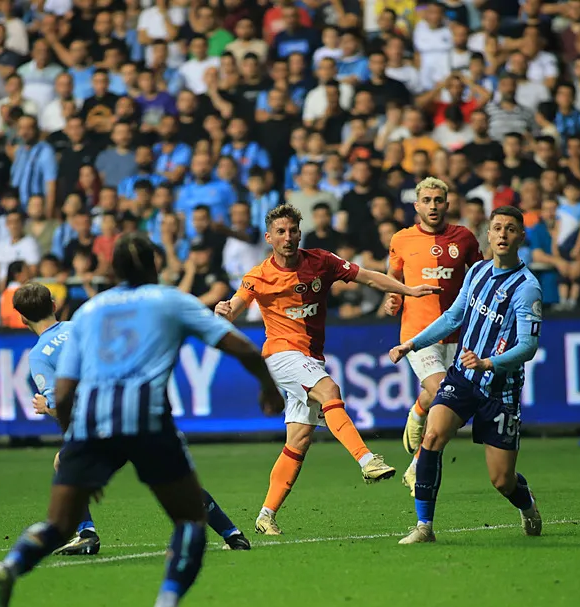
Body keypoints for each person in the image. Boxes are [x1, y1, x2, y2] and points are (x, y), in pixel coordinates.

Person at [0, 235, 283, 607]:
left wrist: (76, 448)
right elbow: (241, 345)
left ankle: (11, 566)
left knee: (58, 523)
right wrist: (266, 386)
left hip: (90, 422)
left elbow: (66, 393)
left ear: (114, 272)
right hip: (146, 416)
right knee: (189, 519)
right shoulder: (169, 299)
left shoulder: (89, 312)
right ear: (154, 266)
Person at [215, 203, 441, 536]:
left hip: (309, 357)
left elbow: (366, 277)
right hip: (280, 355)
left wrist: (406, 290)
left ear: (299, 233)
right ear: (269, 238)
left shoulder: (321, 261)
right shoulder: (258, 276)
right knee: (330, 391)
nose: (288, 237)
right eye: (281, 232)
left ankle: (266, 515)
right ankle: (367, 461)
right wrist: (223, 311)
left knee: (300, 438)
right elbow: (232, 308)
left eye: (292, 231)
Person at [388, 206, 543, 544]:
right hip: (462, 378)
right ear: (488, 233)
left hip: (499, 390)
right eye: (497, 228)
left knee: (502, 480)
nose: (502, 234)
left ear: (521, 237)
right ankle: (424, 526)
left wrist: (489, 363)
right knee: (432, 437)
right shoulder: (476, 272)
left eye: (511, 229)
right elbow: (453, 318)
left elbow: (529, 347)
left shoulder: (527, 288)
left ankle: (527, 503)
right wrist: (411, 344)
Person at [382, 177, 481, 495]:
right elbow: (393, 278)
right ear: (417, 205)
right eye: (427, 200)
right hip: (418, 334)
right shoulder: (402, 239)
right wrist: (393, 298)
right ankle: (420, 465)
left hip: (456, 335)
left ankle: (418, 421)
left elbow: (478, 278)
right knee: (444, 393)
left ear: (447, 204)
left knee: (446, 408)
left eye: (438, 200)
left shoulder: (464, 238)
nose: (433, 206)